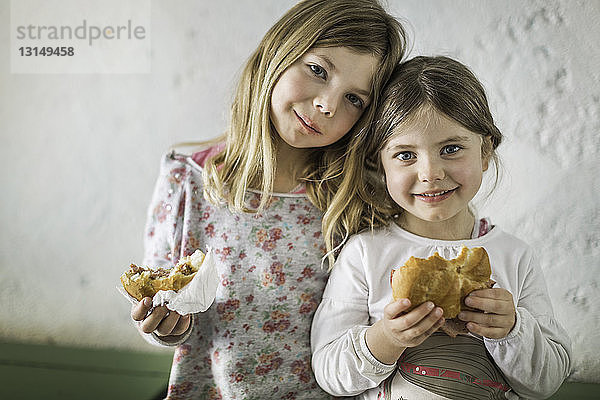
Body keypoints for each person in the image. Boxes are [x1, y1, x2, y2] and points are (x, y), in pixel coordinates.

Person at [128, 1, 408, 398]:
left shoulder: (361, 200)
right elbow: (159, 295)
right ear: (278, 52)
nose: (327, 104)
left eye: (354, 99)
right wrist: (163, 325)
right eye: (317, 70)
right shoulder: (186, 179)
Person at [311, 56, 572, 400]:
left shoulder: (515, 255)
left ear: (484, 152)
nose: (430, 173)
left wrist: (512, 330)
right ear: (380, 163)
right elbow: (330, 372)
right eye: (405, 155)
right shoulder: (365, 253)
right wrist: (387, 338)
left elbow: (548, 380)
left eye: (451, 149)